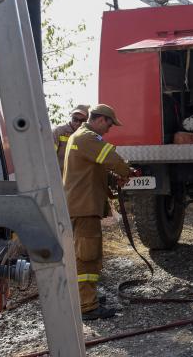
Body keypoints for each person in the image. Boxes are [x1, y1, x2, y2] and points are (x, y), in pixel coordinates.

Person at [63, 104, 132, 320]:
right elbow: (112, 159)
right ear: (100, 119)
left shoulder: (81, 139)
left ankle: (85, 298)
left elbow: (95, 171)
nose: (108, 130)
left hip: (82, 207)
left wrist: (113, 179)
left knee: (87, 256)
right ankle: (87, 306)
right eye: (109, 125)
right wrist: (127, 171)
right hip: (83, 208)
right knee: (87, 257)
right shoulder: (88, 138)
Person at [53, 105, 90, 175]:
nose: (78, 123)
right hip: (59, 177)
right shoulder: (59, 131)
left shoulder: (88, 135)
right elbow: (49, 155)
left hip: (77, 179)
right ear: (71, 117)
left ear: (87, 121)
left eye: (82, 121)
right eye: (75, 119)